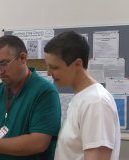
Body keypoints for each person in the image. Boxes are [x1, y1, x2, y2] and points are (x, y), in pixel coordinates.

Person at [44, 30, 121, 160]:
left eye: (55, 67)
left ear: (77, 64)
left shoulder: (96, 102)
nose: (49, 73)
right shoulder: (82, 97)